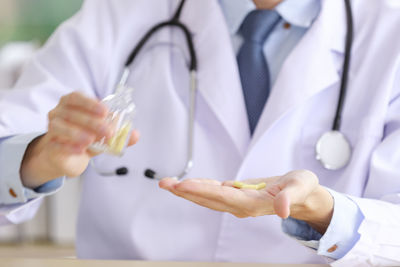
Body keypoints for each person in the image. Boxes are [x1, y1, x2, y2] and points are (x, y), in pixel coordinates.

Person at [0, 0, 399, 265]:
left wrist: (322, 210)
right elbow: (13, 131)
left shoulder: (389, 31)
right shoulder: (118, 13)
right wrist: (38, 157)